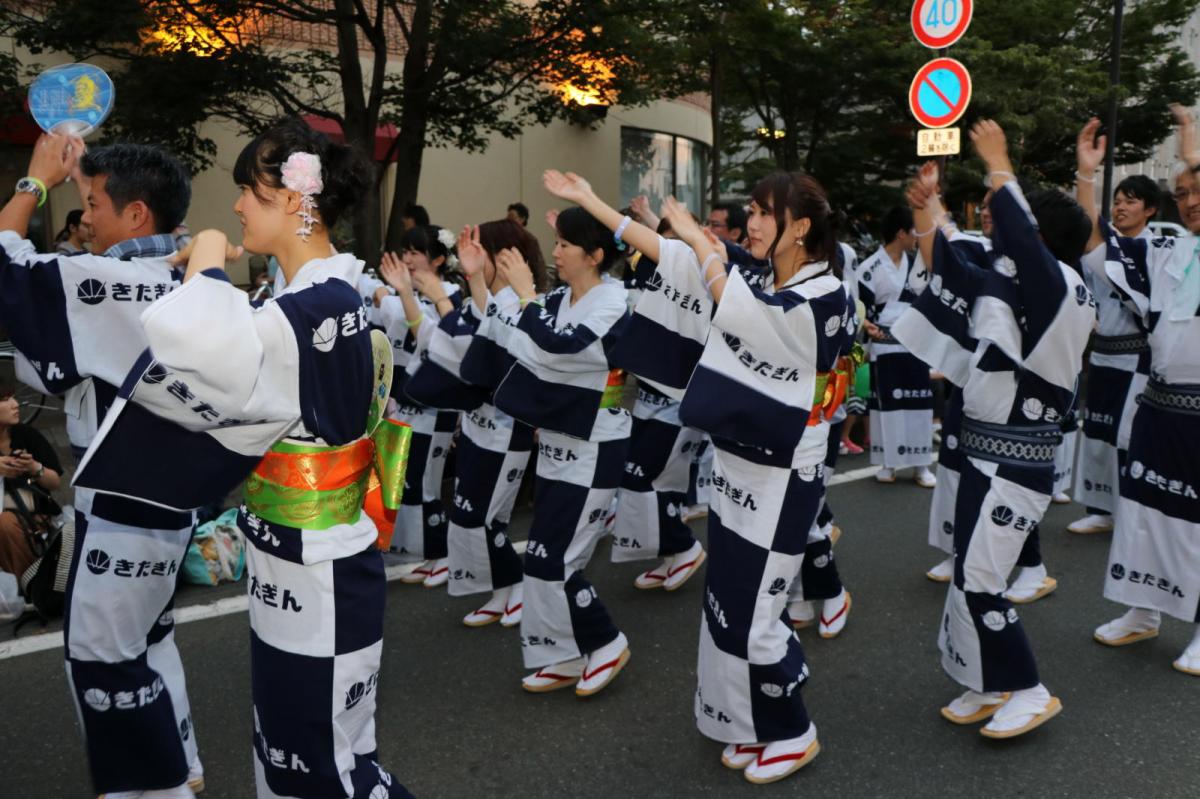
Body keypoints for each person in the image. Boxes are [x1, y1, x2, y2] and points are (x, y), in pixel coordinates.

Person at [77, 116, 413, 796]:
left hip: (319, 566)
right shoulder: (319, 293)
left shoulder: (319, 303)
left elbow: (199, 344)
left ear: (295, 199)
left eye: (249, 192)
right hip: (295, 554)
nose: (233, 207)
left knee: (318, 766)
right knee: (298, 754)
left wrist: (203, 259)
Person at [579, 167, 854, 782]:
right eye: (750, 212)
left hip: (783, 474)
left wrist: (700, 247)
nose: (751, 223)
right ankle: (746, 720)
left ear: (800, 226)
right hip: (736, 463)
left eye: (763, 213)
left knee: (756, 611)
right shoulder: (761, 271)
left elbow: (742, 305)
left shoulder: (825, 294)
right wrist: (593, 201)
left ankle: (791, 727)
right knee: (727, 602)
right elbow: (674, 253)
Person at [0, 133, 205, 797]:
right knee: (151, 639)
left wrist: (33, 181)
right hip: (168, 498)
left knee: (100, 660)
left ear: (137, 214)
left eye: (92, 202)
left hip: (118, 500)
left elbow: (5, 261)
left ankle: (154, 785)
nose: (84, 216)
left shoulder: (109, 281)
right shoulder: (182, 277)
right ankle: (184, 761)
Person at [894, 120, 1094, 738]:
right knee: (967, 568)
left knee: (981, 578)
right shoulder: (1022, 288)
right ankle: (986, 680)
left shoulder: (1058, 285)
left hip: (1017, 463)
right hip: (986, 455)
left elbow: (1015, 246)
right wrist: (928, 215)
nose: (1000, 226)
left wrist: (999, 160)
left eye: (1009, 219)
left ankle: (1029, 687)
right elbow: (952, 271)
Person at [487, 184, 633, 698]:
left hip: (595, 446)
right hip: (556, 443)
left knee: (559, 559)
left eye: (567, 243)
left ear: (594, 255)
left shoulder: (614, 302)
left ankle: (606, 642)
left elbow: (561, 344)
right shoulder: (557, 298)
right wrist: (487, 281)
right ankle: (564, 654)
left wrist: (526, 295)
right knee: (543, 556)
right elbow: (517, 335)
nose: (557, 251)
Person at [1078, 106, 1200, 676]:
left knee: (1195, 519)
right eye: (1182, 191)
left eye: (1195, 188)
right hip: (1156, 401)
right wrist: (1086, 177)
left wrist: (1189, 144)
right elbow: (1102, 251)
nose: (1188, 198)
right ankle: (1143, 609)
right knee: (1147, 510)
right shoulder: (1169, 250)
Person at [405, 219, 547, 627]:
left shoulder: (524, 304)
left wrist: (443, 300)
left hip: (506, 430)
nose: (472, 257)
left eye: (480, 251)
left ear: (503, 256)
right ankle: (502, 591)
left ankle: (515, 585)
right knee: (470, 514)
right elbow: (478, 331)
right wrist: (471, 281)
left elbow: (481, 353)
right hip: (477, 426)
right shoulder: (491, 299)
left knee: (485, 517)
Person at [1069, 128, 1159, 535]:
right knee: (1100, 431)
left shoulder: (1158, 250)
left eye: (1131, 201)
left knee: (1131, 438)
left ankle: (1132, 510)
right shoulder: (1112, 249)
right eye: (1118, 201)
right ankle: (1100, 507)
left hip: (1140, 361)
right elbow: (1087, 230)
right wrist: (1085, 174)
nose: (1121, 207)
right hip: (1104, 355)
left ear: (1151, 210)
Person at [372, 225, 462, 587]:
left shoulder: (450, 295)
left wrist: (399, 293)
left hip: (434, 404)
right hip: (403, 396)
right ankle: (423, 552)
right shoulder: (399, 293)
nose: (407, 259)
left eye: (415, 253)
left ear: (438, 260)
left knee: (427, 481)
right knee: (405, 479)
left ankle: (442, 553)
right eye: (404, 252)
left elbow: (429, 339)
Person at [857, 206, 937, 487]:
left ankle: (921, 464)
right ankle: (889, 464)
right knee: (888, 406)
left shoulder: (919, 266)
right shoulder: (869, 269)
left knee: (919, 403)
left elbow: (929, 304)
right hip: (884, 348)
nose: (917, 236)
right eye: (914, 230)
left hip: (915, 347)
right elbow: (861, 313)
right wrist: (864, 349)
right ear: (901, 233)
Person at [0, 382, 63, 581]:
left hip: (31, 514)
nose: (15, 404)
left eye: (13, 398)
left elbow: (54, 483)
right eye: (5, 400)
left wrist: (34, 467)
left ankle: (28, 584)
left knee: (5, 524)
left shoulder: (26, 435)